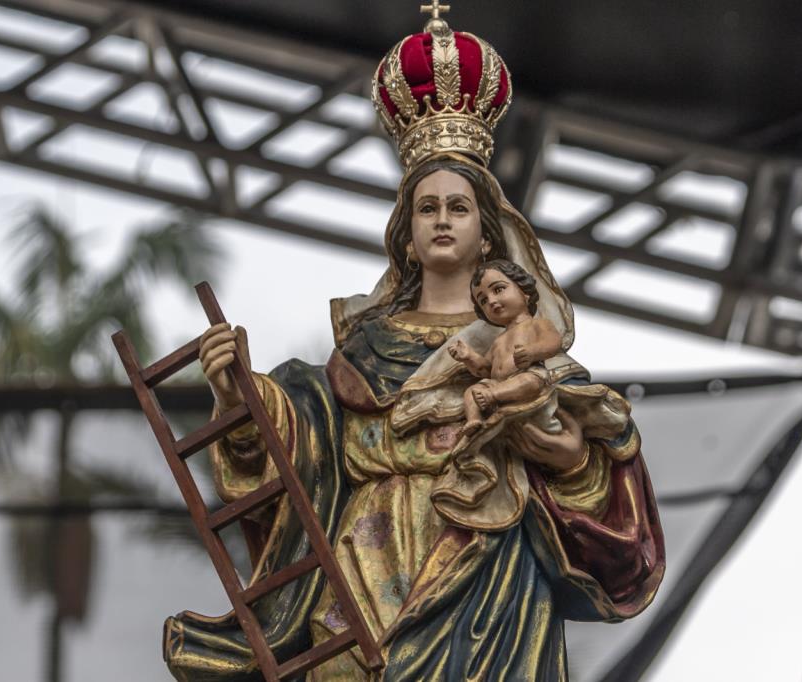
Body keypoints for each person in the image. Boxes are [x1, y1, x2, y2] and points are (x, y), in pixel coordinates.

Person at [163, 10, 663, 681]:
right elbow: (294, 448)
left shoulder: (528, 349)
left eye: (458, 208)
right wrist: (236, 395)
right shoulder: (361, 350)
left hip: (490, 582)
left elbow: (596, 470)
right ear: (406, 230)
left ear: (487, 232)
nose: (442, 222)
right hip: (365, 570)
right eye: (428, 209)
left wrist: (571, 463)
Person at [449, 259, 564, 440]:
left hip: (527, 374)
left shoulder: (536, 324)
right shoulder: (498, 340)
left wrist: (532, 352)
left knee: (530, 382)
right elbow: (486, 369)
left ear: (524, 291)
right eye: (483, 300)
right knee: (472, 391)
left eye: (498, 289)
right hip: (498, 384)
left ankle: (492, 396)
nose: (492, 301)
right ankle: (474, 420)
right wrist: (469, 357)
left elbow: (554, 342)